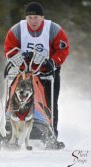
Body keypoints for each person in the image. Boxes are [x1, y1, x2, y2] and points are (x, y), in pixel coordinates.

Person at [4, 2, 69, 149]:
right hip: (23, 74)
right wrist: (21, 62)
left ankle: (52, 136)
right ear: (26, 18)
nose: (33, 21)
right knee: (14, 99)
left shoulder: (53, 29)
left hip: (47, 73)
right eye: (30, 17)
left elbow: (63, 49)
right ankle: (10, 132)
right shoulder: (17, 29)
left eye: (36, 18)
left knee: (51, 103)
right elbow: (9, 49)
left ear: (42, 18)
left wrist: (52, 62)